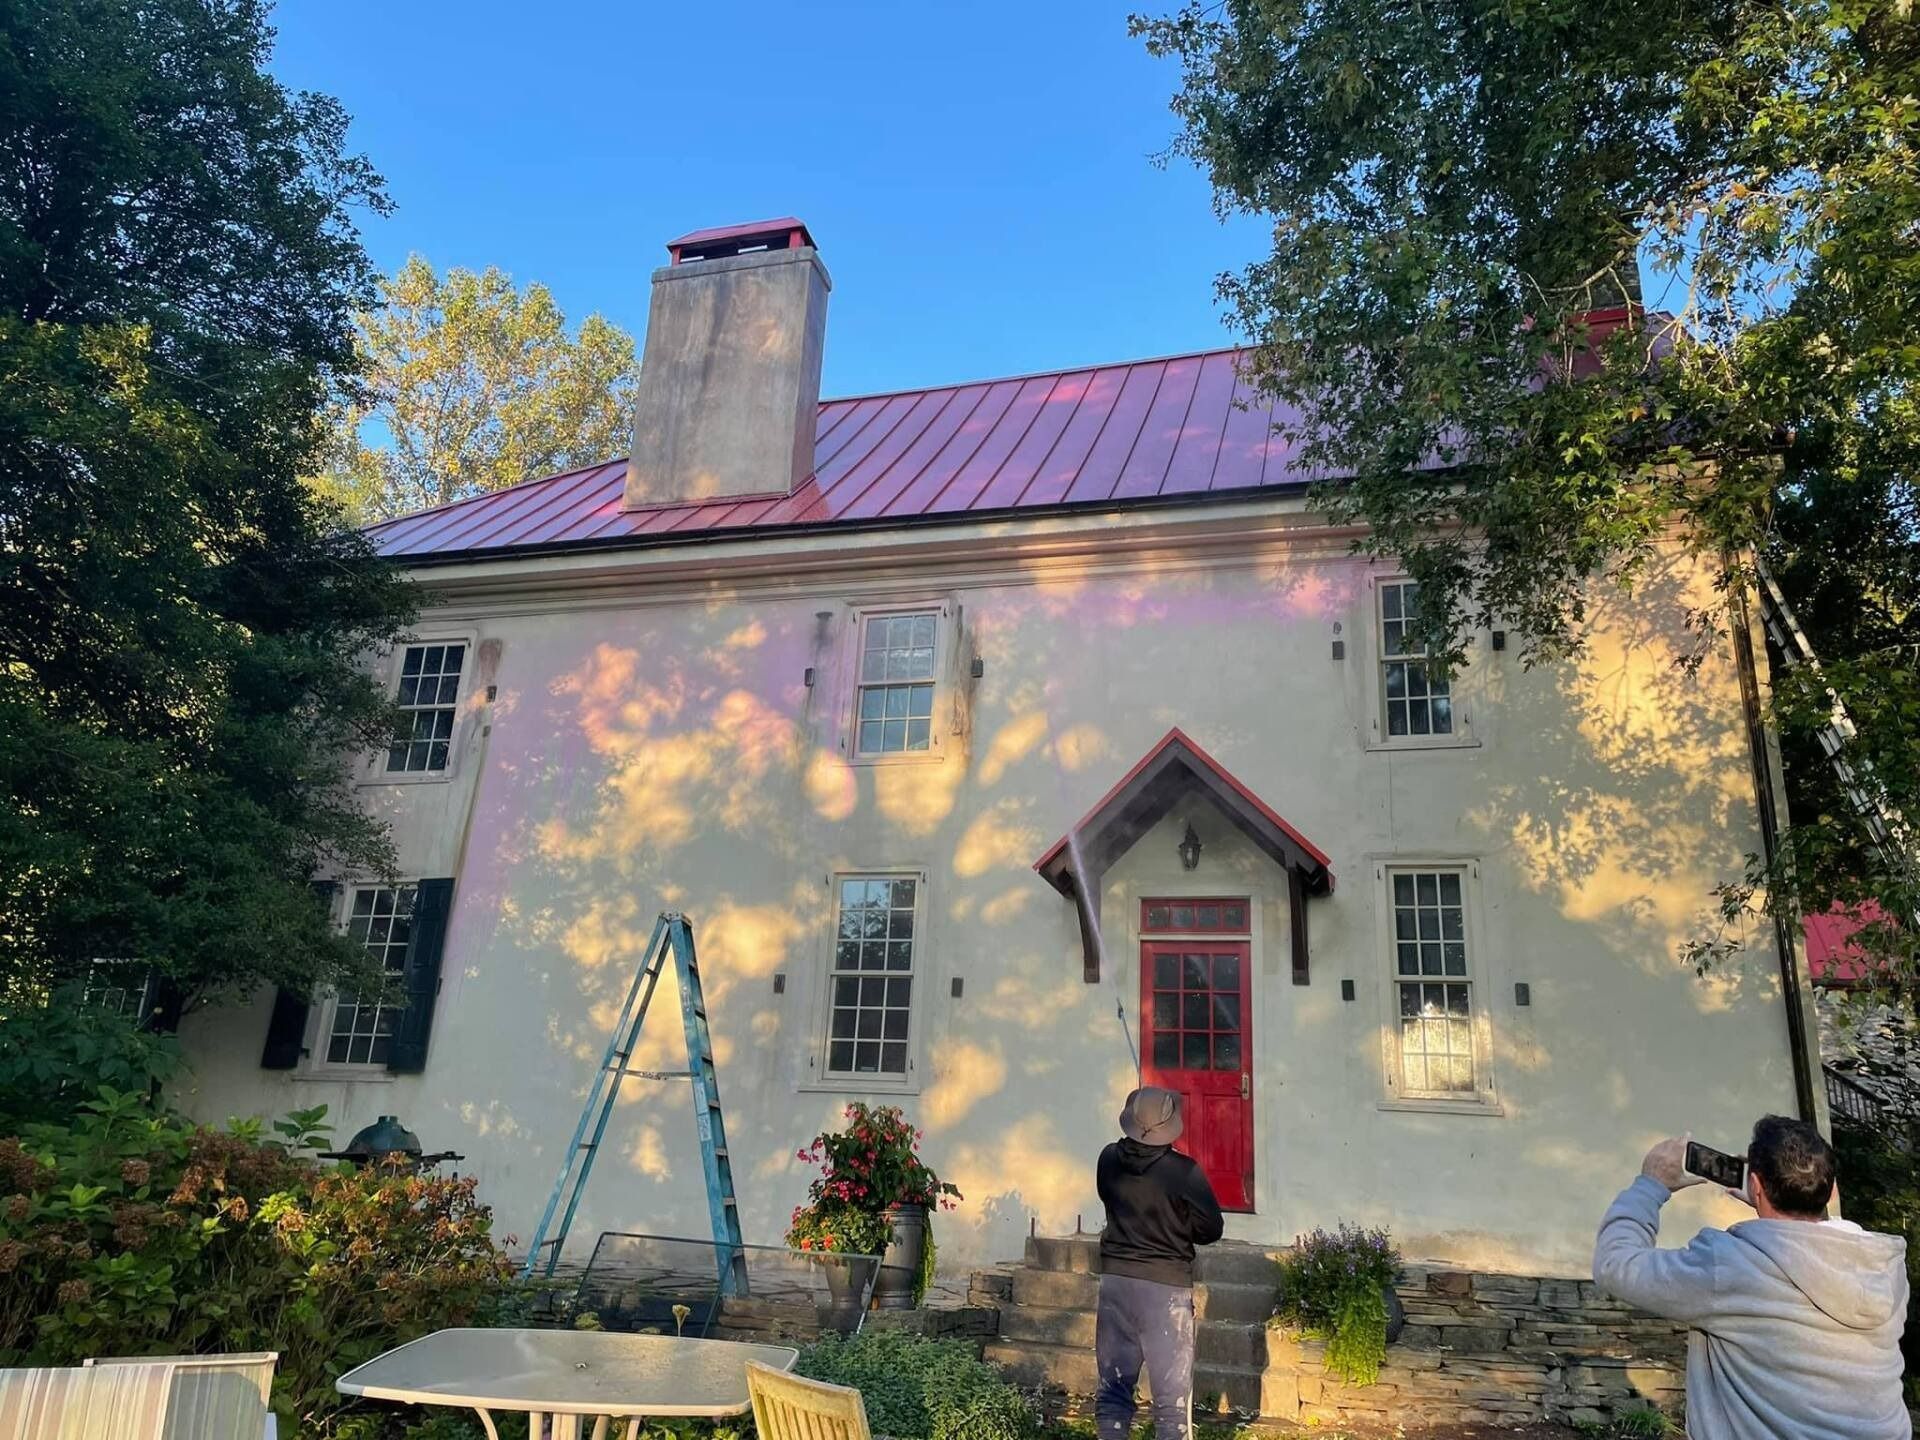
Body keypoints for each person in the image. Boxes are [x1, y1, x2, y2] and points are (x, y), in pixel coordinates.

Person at [1593, 1114, 1910, 1440]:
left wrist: (1651, 1185)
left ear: (1755, 1185)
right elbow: (1816, 1249)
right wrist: (1770, 1211)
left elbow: (1614, 1264)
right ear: (1831, 1192)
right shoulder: (1884, 1266)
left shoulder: (1729, 1265)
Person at [1093, 1085, 1225, 1440]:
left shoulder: (1107, 1159)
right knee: (1170, 1405)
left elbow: (1109, 1198)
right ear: (1169, 1126)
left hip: (1116, 1283)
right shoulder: (1183, 1172)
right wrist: (1177, 1224)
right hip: (1165, 1292)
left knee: (1112, 1394)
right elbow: (1211, 1228)